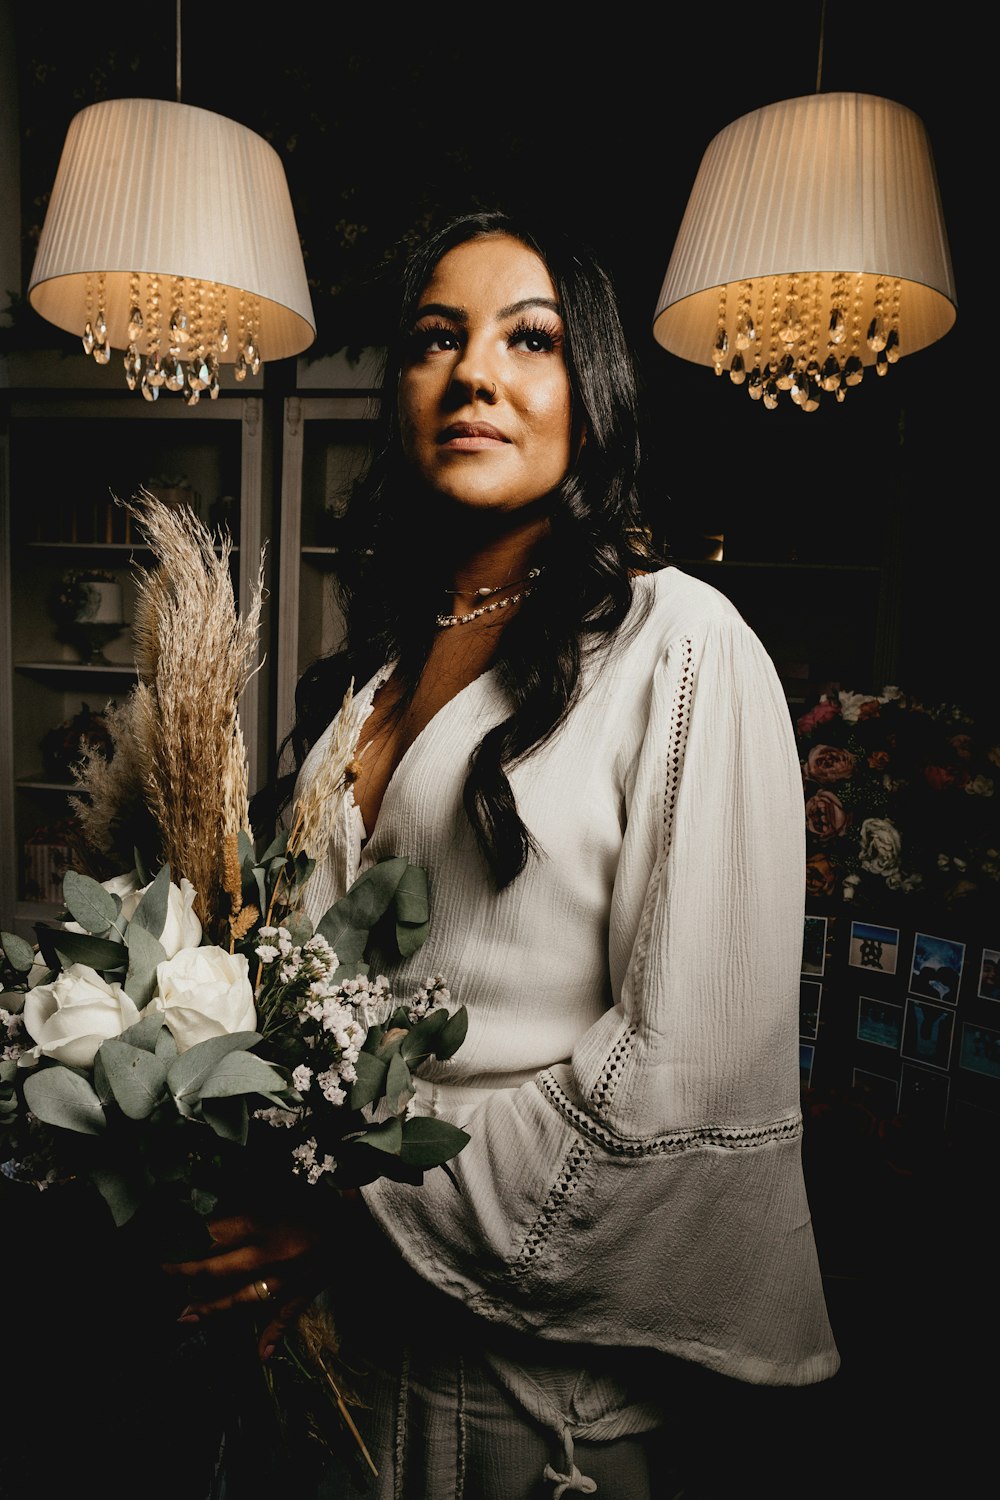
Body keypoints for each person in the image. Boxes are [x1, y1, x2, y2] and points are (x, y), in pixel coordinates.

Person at [164, 208, 841, 1498]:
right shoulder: (373, 677)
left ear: (595, 390)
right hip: (322, 1359)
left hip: (523, 1395)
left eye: (530, 339)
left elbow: (680, 1069)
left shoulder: (673, 644)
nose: (475, 372)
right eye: (435, 339)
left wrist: (344, 1209)